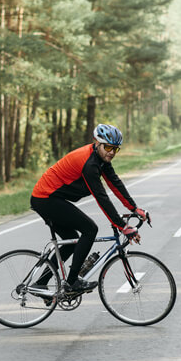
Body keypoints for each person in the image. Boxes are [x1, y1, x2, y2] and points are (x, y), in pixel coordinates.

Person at [30, 123, 148, 294]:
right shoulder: (90, 164)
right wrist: (122, 226)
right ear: (97, 142)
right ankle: (71, 283)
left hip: (51, 197)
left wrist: (134, 208)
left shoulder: (101, 159)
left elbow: (115, 183)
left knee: (72, 240)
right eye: (108, 147)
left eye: (116, 149)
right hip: (46, 198)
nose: (111, 152)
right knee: (90, 229)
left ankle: (40, 283)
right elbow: (101, 197)